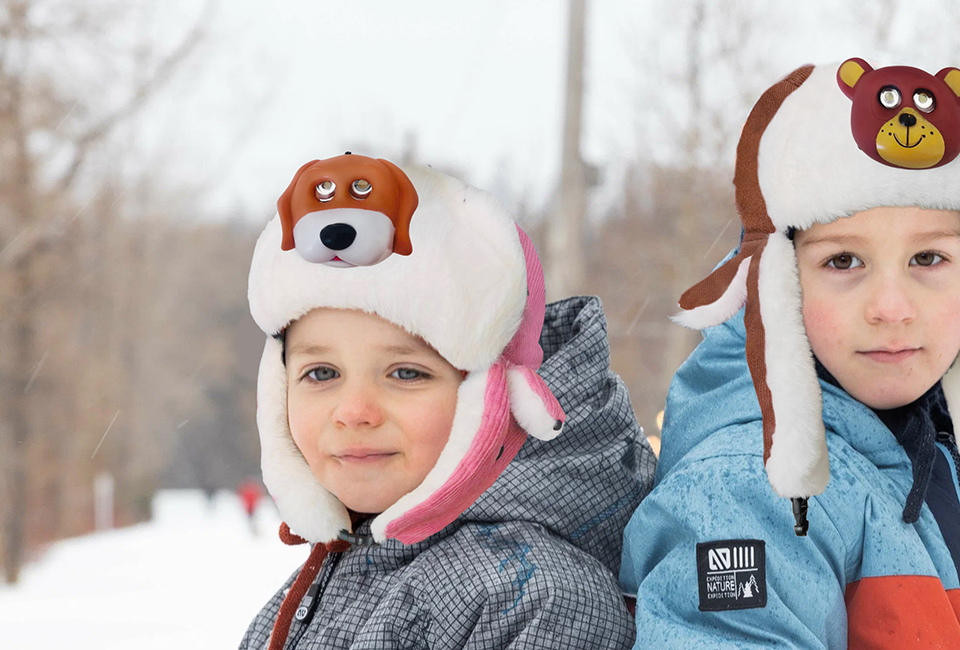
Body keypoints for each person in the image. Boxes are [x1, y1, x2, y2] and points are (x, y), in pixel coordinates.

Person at [619, 59, 960, 650]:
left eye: (928, 259)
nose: (891, 307)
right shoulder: (747, 497)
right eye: (843, 262)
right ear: (779, 283)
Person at [239, 154, 656, 650]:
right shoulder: (342, 568)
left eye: (406, 373)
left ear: (492, 399)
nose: (354, 411)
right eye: (321, 373)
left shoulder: (532, 597)